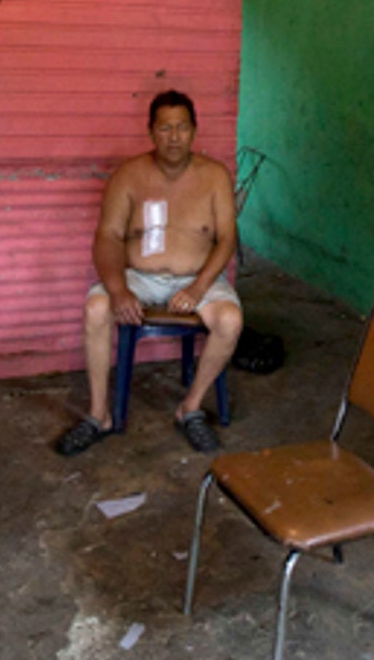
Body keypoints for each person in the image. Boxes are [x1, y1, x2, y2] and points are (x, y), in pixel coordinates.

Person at [55, 90, 243, 456]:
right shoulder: (129, 176)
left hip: (198, 279)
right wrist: (118, 290)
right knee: (96, 309)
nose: (174, 137)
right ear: (151, 132)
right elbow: (107, 236)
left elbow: (226, 240)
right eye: (165, 128)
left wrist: (198, 287)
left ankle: (190, 408)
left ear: (194, 131)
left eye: (182, 127)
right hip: (139, 277)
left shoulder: (214, 176)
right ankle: (99, 415)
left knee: (231, 321)